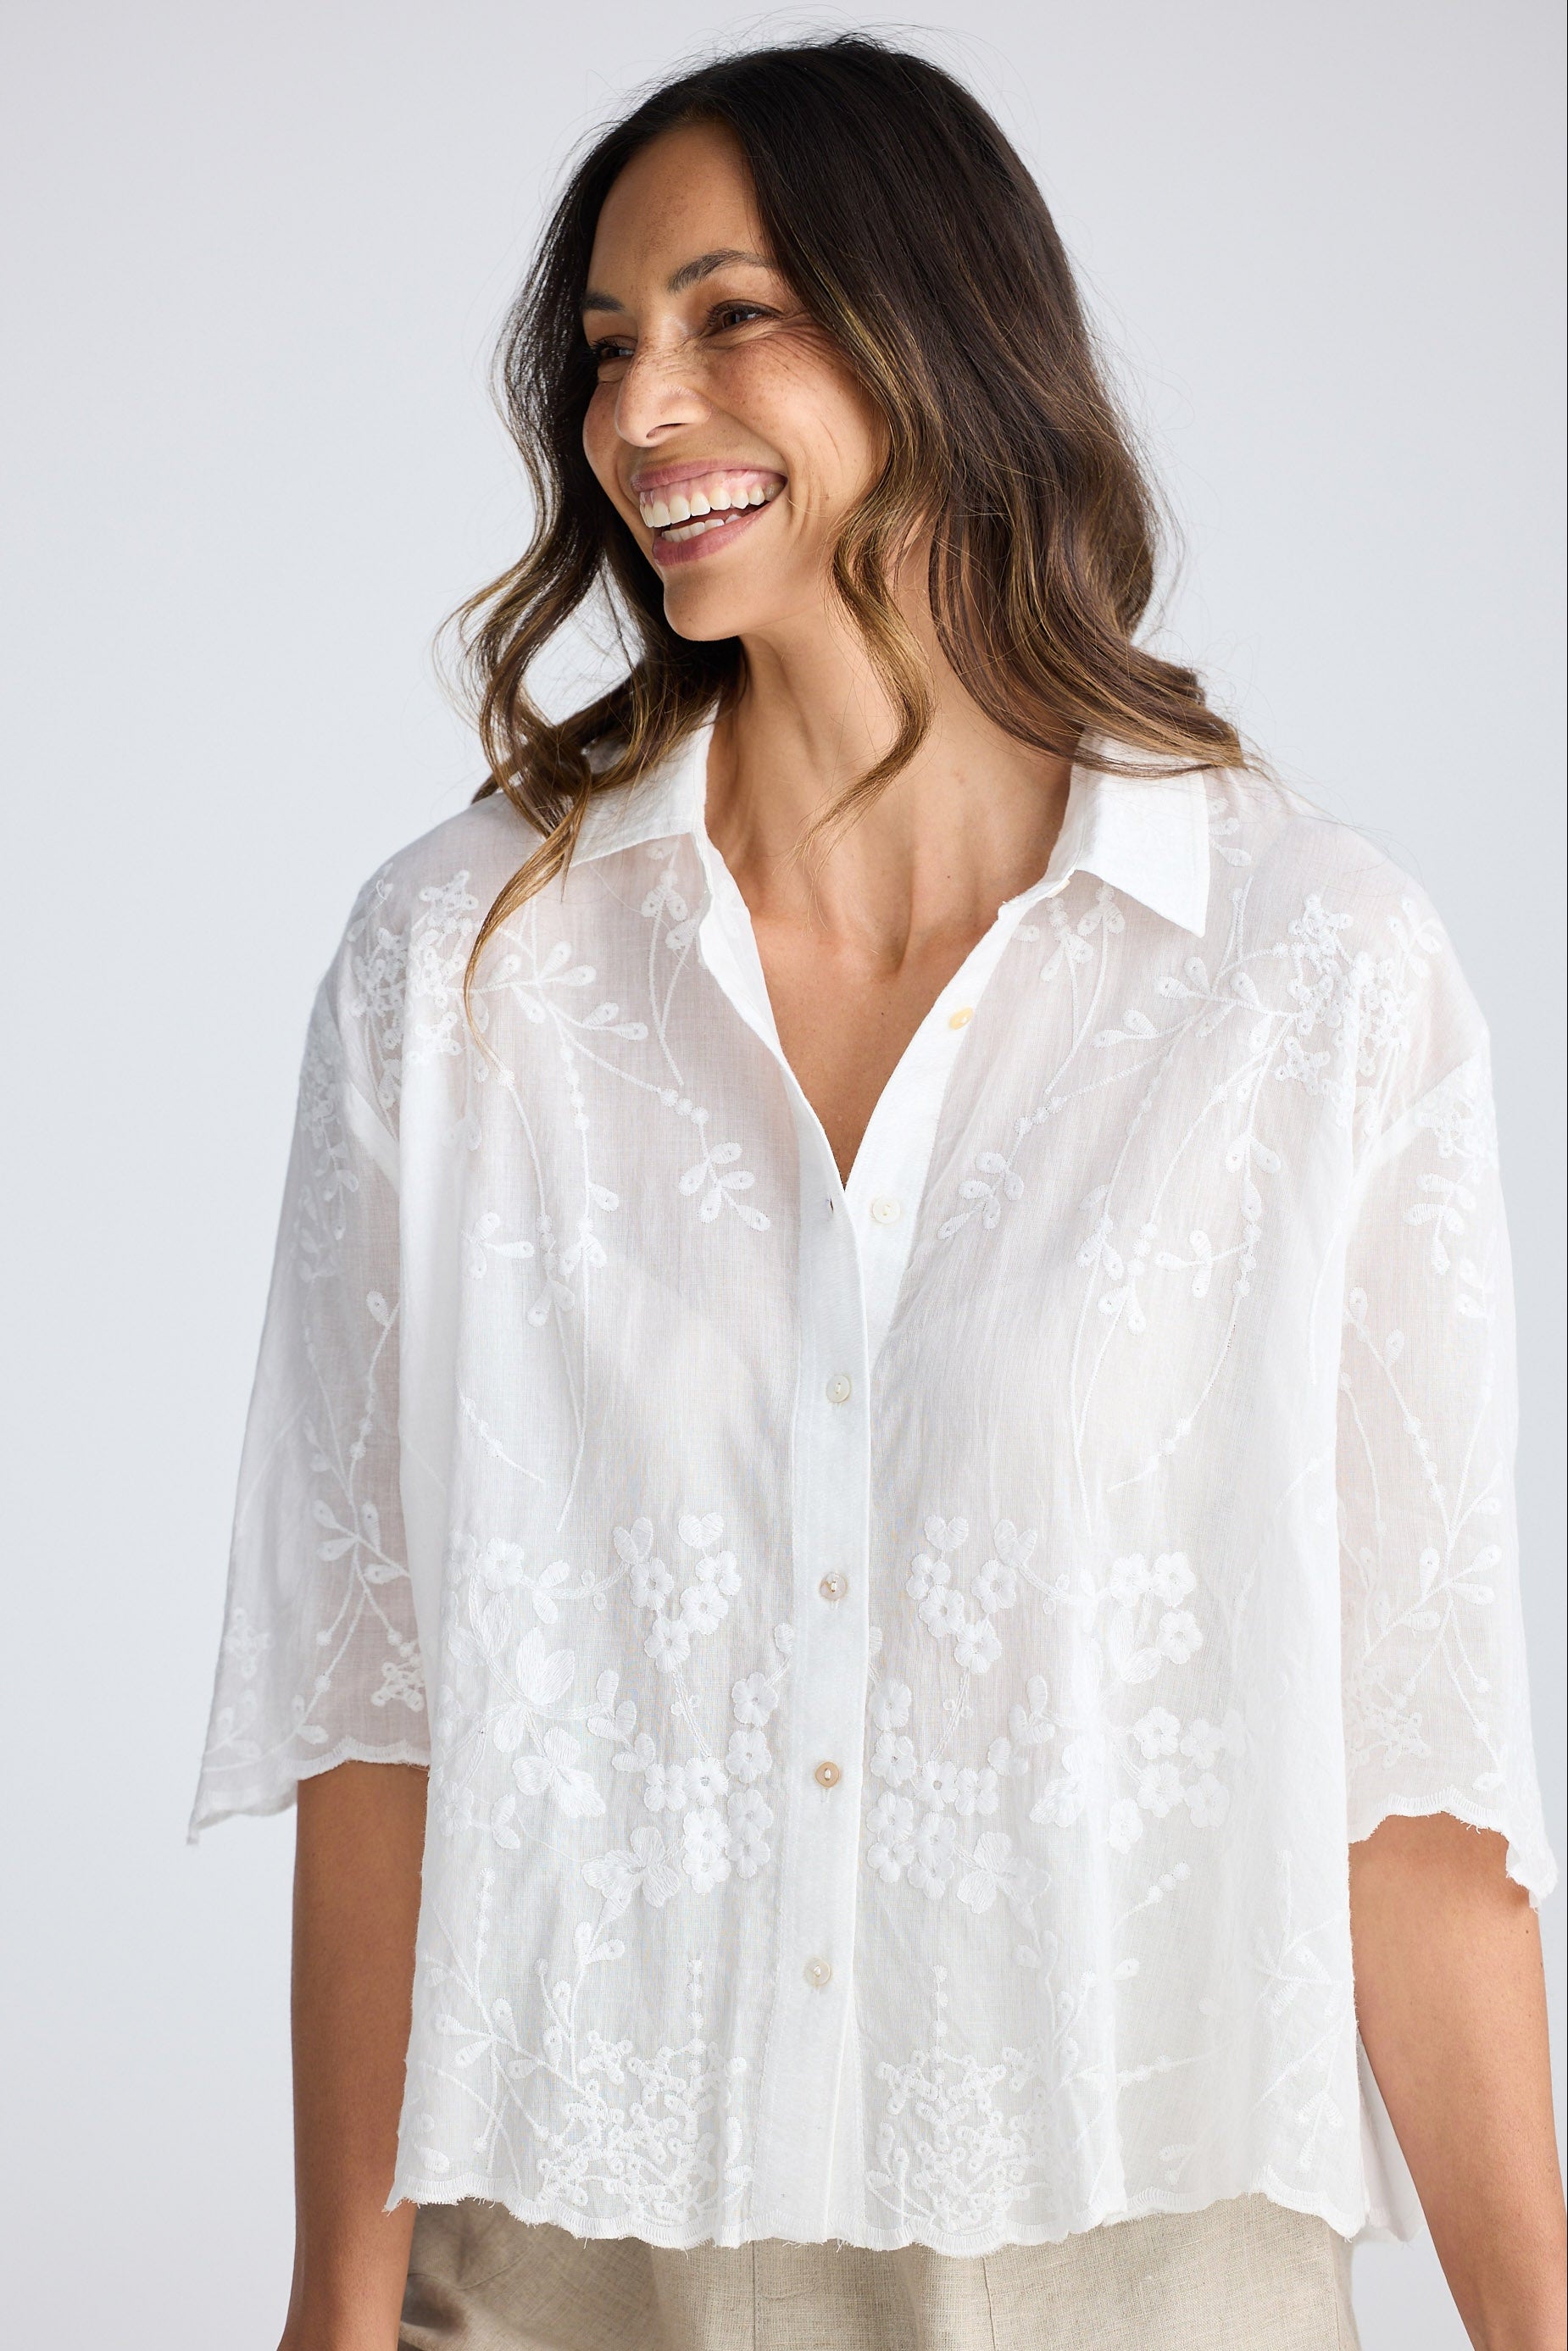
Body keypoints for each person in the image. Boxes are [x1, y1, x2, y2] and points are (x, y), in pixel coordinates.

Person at [188, 32, 1565, 2351]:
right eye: (609, 348)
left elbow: (1409, 1788)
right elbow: (380, 1727)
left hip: (1145, 2273)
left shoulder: (1305, 977)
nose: (641, 413)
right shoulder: (459, 977)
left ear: (941, 332)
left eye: (734, 316)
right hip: (562, 2268)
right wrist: (335, 2310)